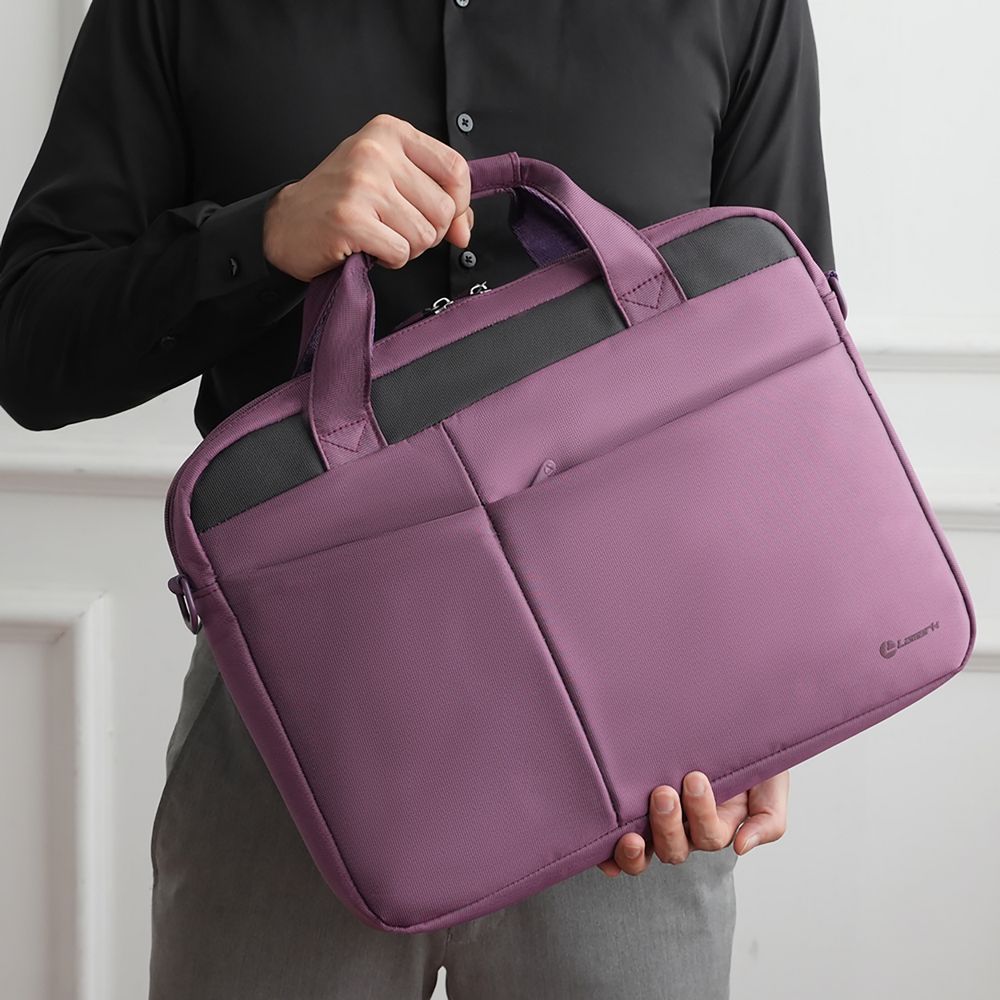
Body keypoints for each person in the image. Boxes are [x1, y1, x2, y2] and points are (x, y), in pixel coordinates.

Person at [0, 1, 833, 997]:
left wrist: (771, 681)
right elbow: (31, 346)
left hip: (646, 746)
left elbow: (788, 342)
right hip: (293, 733)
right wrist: (265, 236)